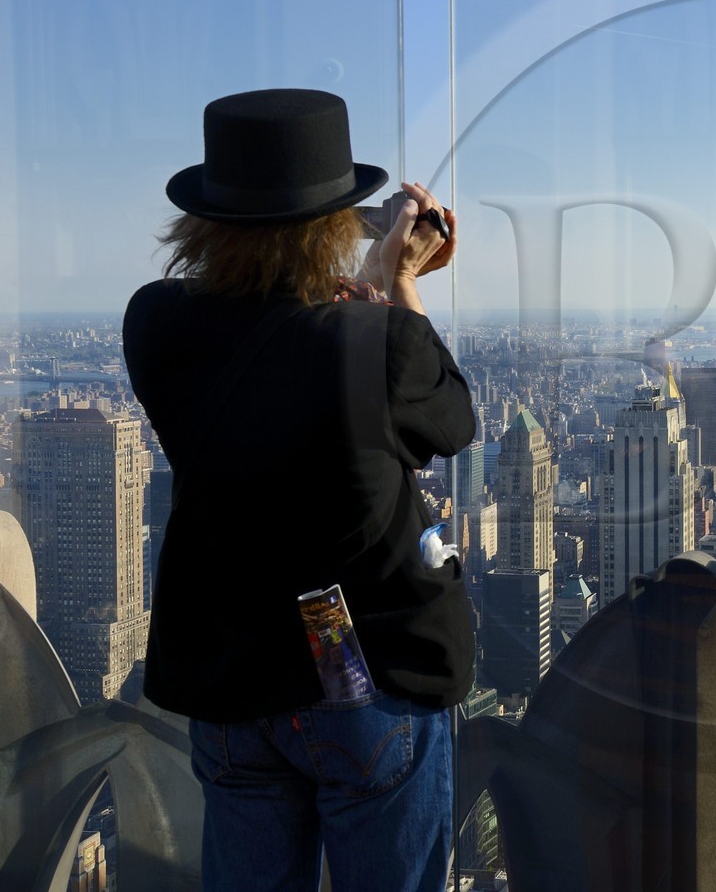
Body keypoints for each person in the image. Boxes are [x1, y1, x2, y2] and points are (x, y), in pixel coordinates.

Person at [122, 88, 474, 892]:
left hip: (232, 680)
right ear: (333, 224)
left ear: (206, 217)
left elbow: (274, 338)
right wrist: (401, 278)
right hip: (370, 687)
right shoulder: (375, 345)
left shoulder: (156, 327)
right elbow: (447, 418)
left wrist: (367, 277)